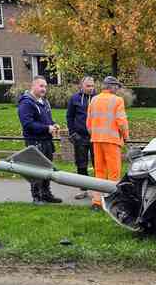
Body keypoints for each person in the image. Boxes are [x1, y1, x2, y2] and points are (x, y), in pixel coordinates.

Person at [86, 75, 129, 210]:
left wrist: (94, 134)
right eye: (117, 86)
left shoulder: (94, 100)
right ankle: (113, 203)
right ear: (112, 87)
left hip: (96, 140)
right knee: (114, 172)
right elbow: (121, 122)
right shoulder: (118, 100)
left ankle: (97, 202)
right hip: (112, 141)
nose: (118, 89)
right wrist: (126, 136)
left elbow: (88, 123)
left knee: (99, 171)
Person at [17, 76, 62, 205]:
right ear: (33, 86)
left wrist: (54, 125)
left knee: (48, 168)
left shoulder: (44, 102)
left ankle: (46, 194)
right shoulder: (26, 103)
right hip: (35, 141)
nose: (44, 89)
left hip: (47, 141)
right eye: (41, 86)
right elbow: (27, 124)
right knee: (36, 170)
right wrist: (47, 128)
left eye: (45, 86)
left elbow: (47, 120)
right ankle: (37, 197)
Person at [66, 76, 97, 200]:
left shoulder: (97, 99)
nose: (90, 88)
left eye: (92, 86)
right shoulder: (74, 99)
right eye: (88, 86)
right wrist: (72, 133)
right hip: (80, 137)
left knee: (98, 164)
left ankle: (98, 190)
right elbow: (69, 116)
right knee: (81, 164)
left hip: (95, 137)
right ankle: (83, 190)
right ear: (81, 86)